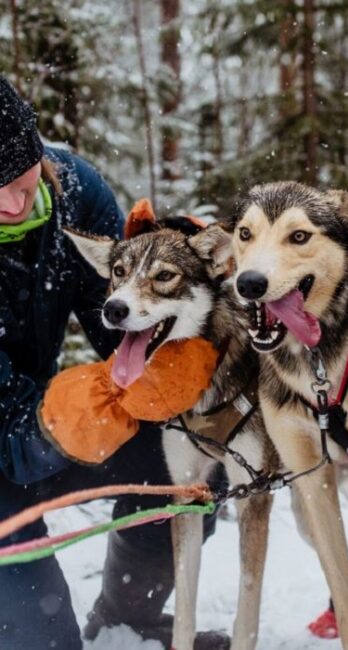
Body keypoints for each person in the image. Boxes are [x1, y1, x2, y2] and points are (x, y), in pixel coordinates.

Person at [0, 76, 228, 650]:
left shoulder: (76, 190)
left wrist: (174, 340)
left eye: (17, 174)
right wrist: (64, 422)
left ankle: (128, 619)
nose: (10, 201)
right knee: (42, 642)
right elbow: (11, 437)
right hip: (11, 433)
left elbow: (125, 318)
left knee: (190, 470)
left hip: (33, 419)